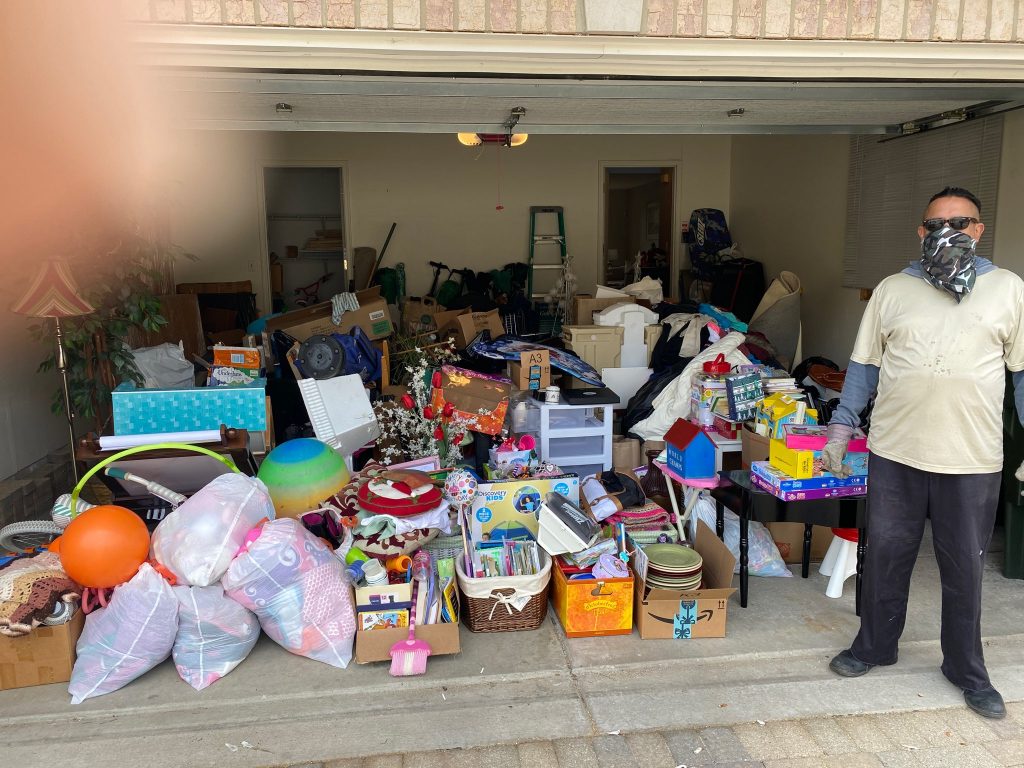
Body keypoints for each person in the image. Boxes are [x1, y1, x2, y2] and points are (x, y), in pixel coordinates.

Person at [821, 186, 1024, 720]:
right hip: (896, 452)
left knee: (964, 571)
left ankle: (966, 670)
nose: (948, 232)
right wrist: (840, 429)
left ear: (979, 229)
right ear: (920, 232)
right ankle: (873, 647)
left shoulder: (1008, 289)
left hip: (972, 459)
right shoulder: (893, 289)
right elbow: (864, 367)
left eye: (961, 222)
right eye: (936, 224)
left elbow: (1023, 374)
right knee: (885, 559)